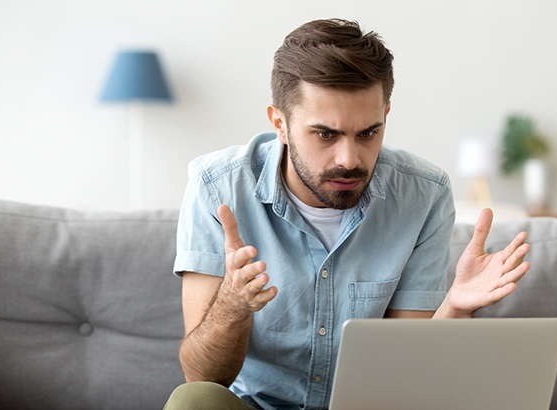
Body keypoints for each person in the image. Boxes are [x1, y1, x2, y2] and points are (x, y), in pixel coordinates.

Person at [164, 18, 530, 410]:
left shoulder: (424, 195)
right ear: (280, 125)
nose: (349, 159)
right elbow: (202, 377)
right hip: (255, 405)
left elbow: (407, 381)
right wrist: (233, 304)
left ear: (386, 114)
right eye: (325, 134)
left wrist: (455, 307)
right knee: (194, 401)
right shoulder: (217, 186)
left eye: (368, 133)